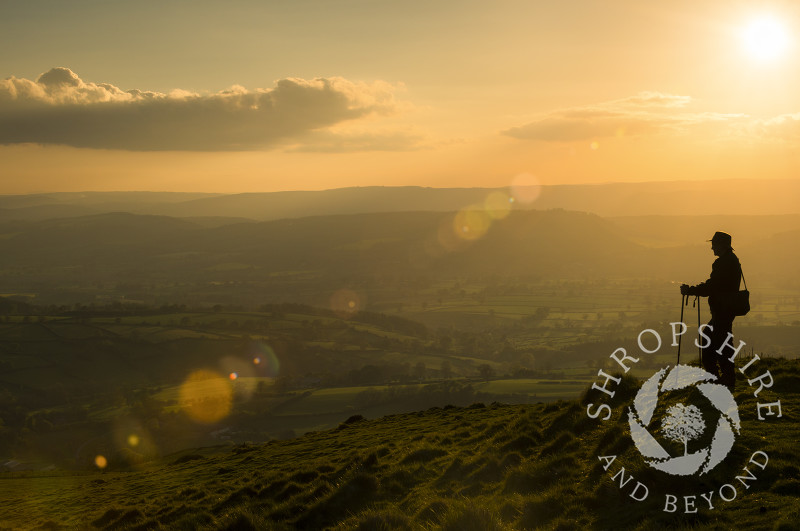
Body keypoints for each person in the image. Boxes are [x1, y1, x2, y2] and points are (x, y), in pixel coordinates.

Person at [680, 231, 742, 391]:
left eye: (714, 245)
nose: (712, 248)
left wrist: (691, 290)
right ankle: (720, 379)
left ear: (722, 246)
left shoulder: (723, 263)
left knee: (720, 343)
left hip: (722, 309)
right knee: (716, 340)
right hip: (726, 309)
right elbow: (715, 284)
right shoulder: (731, 261)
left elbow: (712, 286)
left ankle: (723, 380)